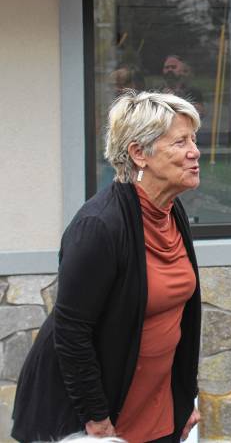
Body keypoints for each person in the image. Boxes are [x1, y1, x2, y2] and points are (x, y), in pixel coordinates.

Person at [12, 92, 203, 443]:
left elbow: (181, 320)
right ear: (138, 153)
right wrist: (97, 420)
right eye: (180, 142)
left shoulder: (172, 212)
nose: (195, 152)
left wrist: (184, 396)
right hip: (99, 417)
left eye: (194, 139)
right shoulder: (100, 226)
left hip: (157, 406)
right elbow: (72, 333)